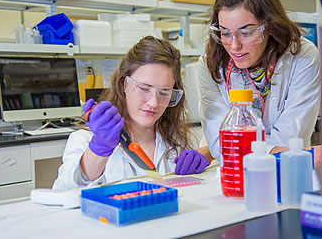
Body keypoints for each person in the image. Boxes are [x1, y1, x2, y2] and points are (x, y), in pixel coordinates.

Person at [53, 36, 209, 190]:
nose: (153, 103)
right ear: (123, 85)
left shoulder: (178, 140)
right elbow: (63, 193)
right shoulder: (85, 140)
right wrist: (99, 149)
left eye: (164, 92)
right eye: (144, 89)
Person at [198, 0, 321, 160]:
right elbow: (221, 145)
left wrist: (235, 145)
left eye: (246, 33)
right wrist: (219, 148)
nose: (234, 46)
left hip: (287, 169)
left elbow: (289, 142)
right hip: (232, 172)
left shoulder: (302, 56)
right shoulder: (211, 62)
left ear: (270, 26)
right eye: (225, 33)